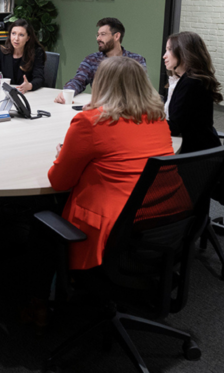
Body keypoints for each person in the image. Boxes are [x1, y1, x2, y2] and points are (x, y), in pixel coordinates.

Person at [24, 57, 174, 327]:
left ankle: (38, 303)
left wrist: (65, 156)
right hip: (159, 226)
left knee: (40, 218)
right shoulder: (158, 119)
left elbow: (59, 181)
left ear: (101, 86)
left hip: (108, 234)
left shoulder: (90, 122)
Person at [54, 17, 146, 103]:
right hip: (100, 108)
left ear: (117, 36)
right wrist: (67, 92)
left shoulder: (136, 60)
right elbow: (78, 81)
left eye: (103, 34)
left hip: (129, 109)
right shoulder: (92, 59)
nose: (98, 38)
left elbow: (143, 89)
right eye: (98, 35)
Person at [163, 31, 223, 154]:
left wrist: (147, 122)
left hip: (196, 158)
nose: (164, 56)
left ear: (183, 53)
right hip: (198, 149)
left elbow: (174, 127)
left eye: (169, 50)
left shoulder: (191, 83)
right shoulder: (185, 79)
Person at [0, 19, 46, 93]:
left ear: (28, 38)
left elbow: (39, 79)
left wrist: (29, 85)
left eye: (21, 35)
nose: (16, 39)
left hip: (30, 94)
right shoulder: (2, 51)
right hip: (9, 94)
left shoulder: (36, 52)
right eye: (13, 33)